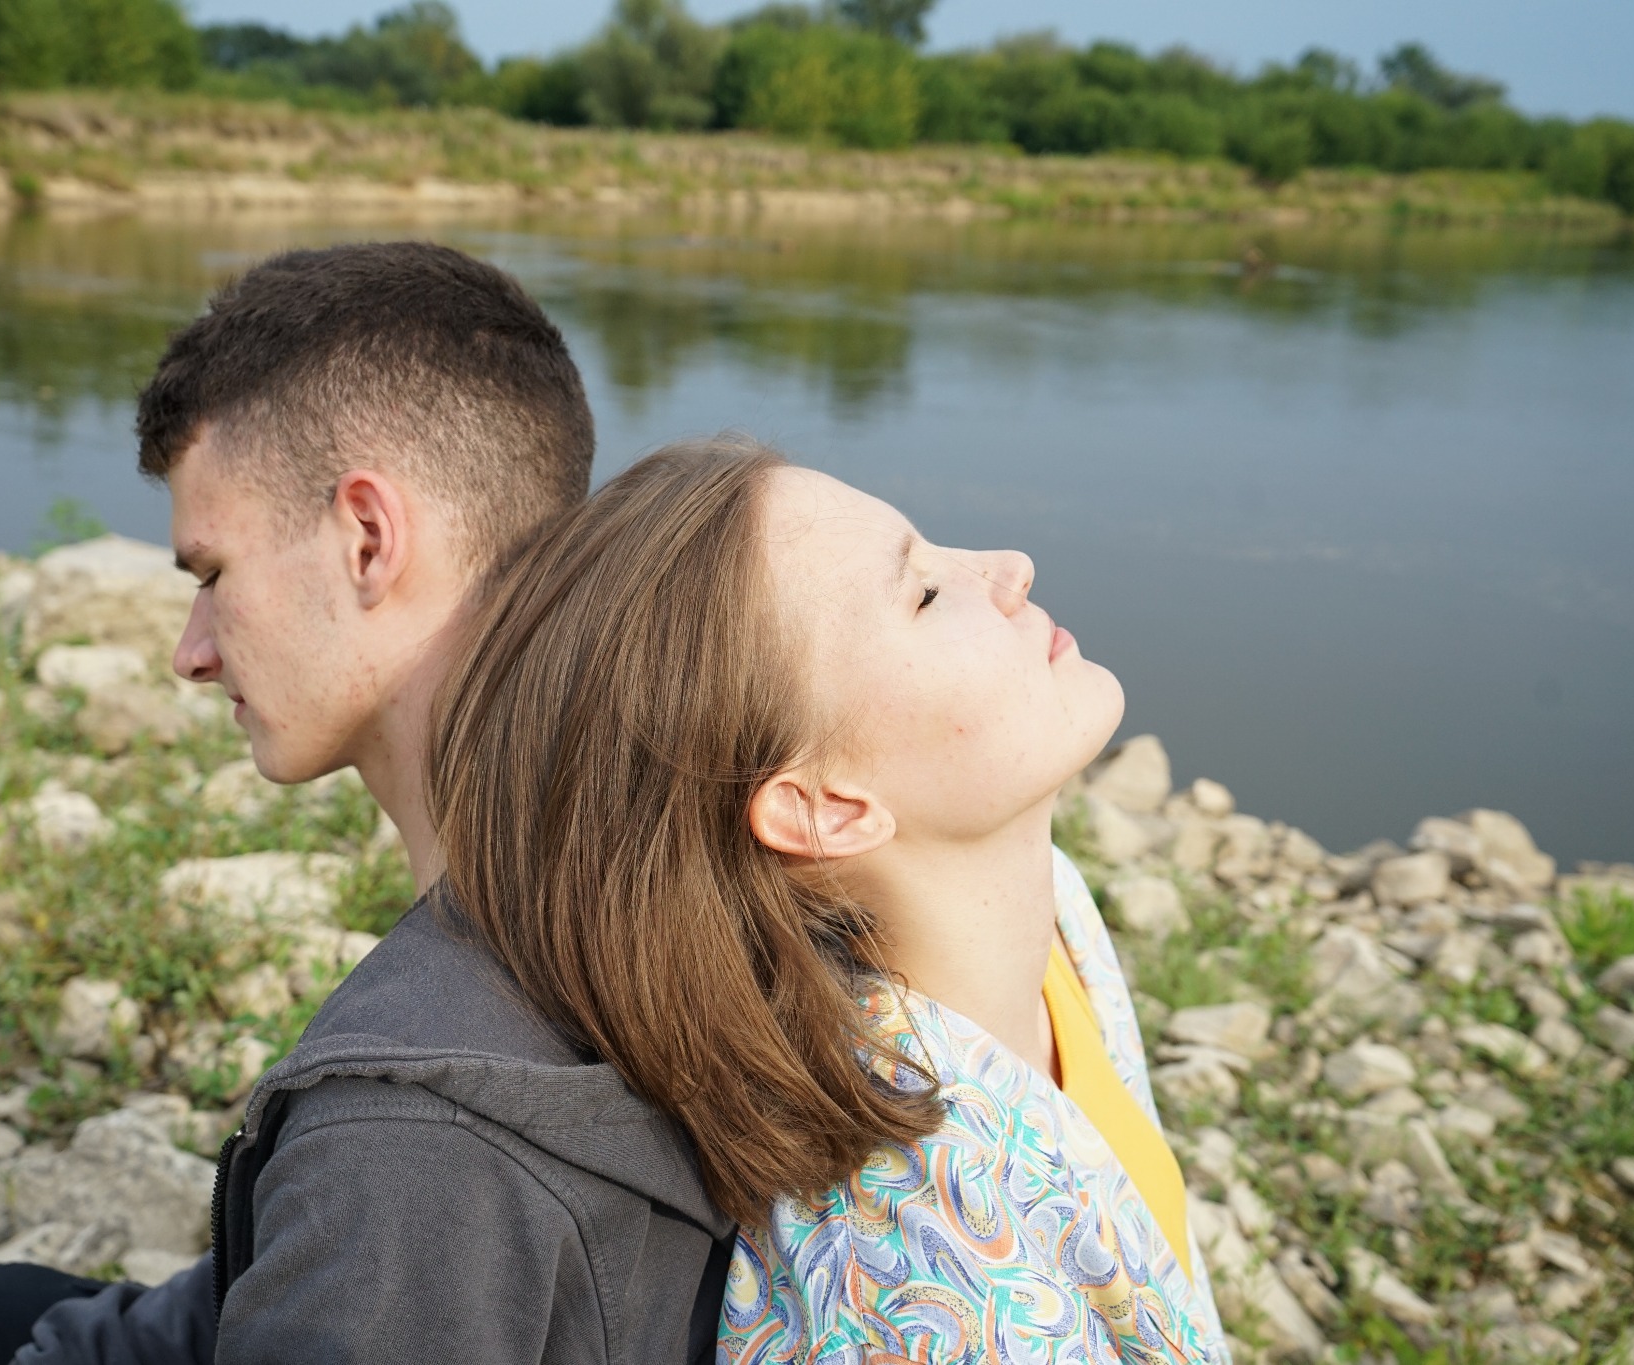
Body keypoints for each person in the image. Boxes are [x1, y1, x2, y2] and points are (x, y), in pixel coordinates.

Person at [0, 243, 734, 1365]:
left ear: (367, 537)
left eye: (210, 577)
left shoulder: (405, 1130)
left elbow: (406, 1220)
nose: (189, 654)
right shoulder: (691, 832)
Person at [429, 438, 1231, 1364]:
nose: (1011, 569)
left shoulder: (1051, 927)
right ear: (823, 808)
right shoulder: (918, 1299)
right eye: (925, 594)